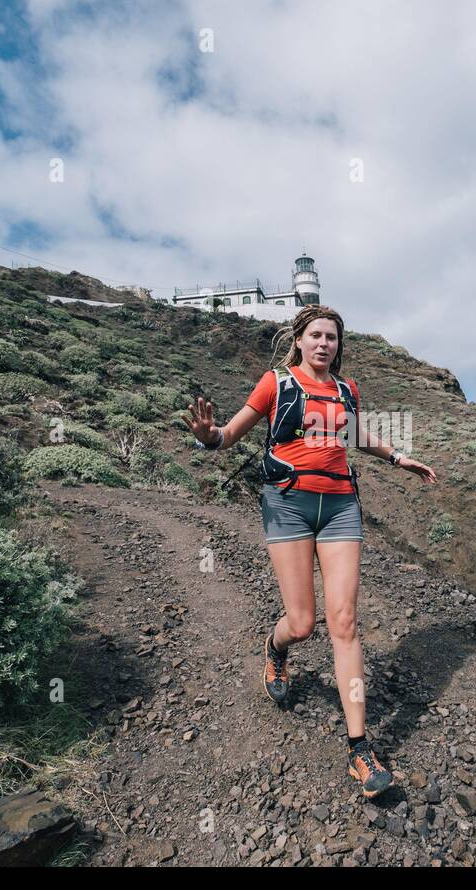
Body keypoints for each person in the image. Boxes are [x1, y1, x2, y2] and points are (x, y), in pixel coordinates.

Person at [183, 304, 438, 799]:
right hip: (288, 504)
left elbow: (355, 435)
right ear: (299, 340)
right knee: (303, 623)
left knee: (343, 623)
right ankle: (277, 647)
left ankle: (360, 749)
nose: (324, 344)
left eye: (332, 338)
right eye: (316, 335)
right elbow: (229, 434)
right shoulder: (275, 384)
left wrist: (398, 456)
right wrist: (207, 437)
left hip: (341, 506)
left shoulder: (346, 390)